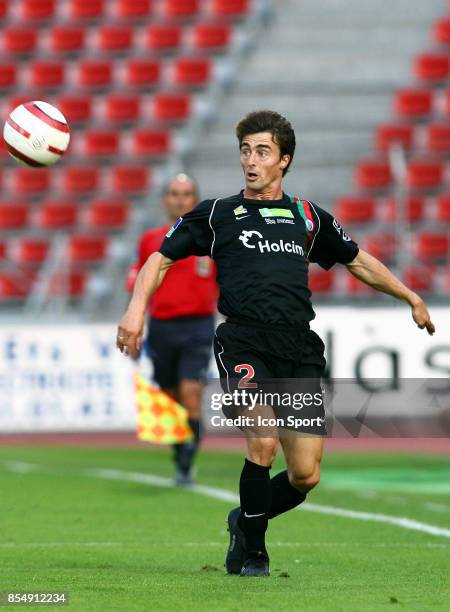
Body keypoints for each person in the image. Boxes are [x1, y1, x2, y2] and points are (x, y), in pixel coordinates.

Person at [116, 110, 435, 577]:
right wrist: (135, 309)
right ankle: (255, 553)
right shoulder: (218, 213)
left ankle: (244, 520)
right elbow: (160, 259)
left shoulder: (306, 216)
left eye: (262, 151)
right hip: (243, 341)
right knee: (262, 441)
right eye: (245, 150)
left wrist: (408, 294)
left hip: (298, 347)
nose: (251, 160)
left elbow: (358, 261)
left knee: (305, 474)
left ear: (283, 160)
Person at [128, 173, 217, 485]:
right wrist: (134, 323)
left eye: (187, 193)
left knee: (191, 391)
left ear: (195, 200)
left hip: (198, 326)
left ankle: (186, 460)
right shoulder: (150, 241)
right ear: (165, 200)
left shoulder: (211, 238)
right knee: (170, 396)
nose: (180, 199)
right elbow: (138, 285)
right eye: (174, 193)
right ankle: (180, 451)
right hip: (162, 326)